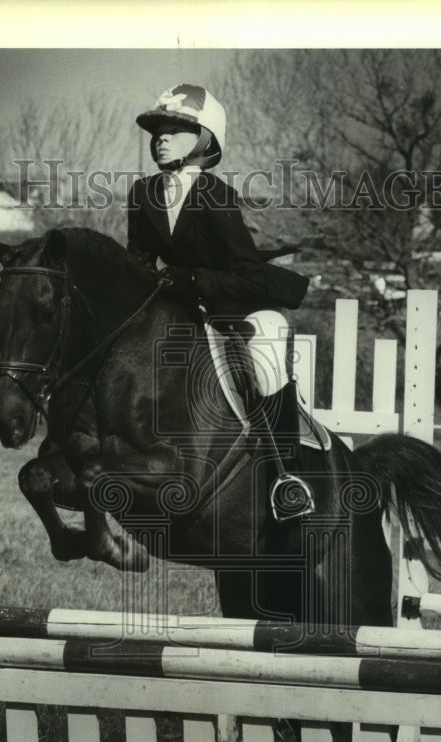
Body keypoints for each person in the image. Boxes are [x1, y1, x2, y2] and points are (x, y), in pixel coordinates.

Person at [127, 83, 315, 521]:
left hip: (241, 308)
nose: (161, 137)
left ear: (205, 139)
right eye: (157, 130)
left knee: (268, 351)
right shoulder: (142, 194)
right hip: (182, 309)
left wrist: (190, 279)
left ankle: (290, 476)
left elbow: (247, 275)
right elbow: (136, 262)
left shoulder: (216, 194)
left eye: (175, 129)